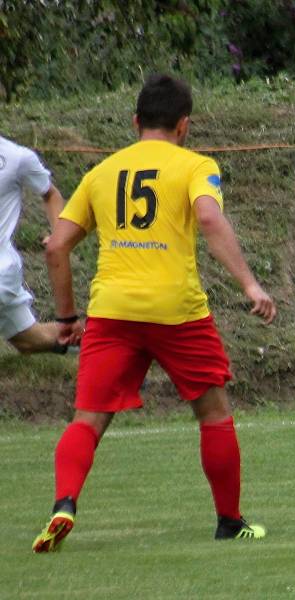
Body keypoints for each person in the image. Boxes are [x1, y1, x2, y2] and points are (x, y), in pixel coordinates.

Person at [32, 74, 278, 553]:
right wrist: (250, 283)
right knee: (213, 415)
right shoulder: (194, 165)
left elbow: (57, 246)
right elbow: (208, 217)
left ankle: (64, 503)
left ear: (134, 121)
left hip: (112, 312)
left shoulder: (101, 173)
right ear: (184, 125)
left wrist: (66, 317)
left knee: (87, 419)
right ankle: (229, 521)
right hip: (177, 311)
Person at [0, 134, 70, 354]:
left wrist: (59, 235)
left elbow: (50, 194)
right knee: (30, 340)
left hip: (1, 271)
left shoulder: (16, 157)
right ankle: (104, 342)